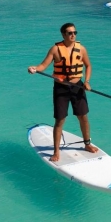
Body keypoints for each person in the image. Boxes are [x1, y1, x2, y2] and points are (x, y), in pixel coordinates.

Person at [28, 23, 98, 162]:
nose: (73, 35)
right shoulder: (55, 49)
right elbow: (43, 66)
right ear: (63, 35)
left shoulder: (81, 49)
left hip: (78, 87)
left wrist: (87, 81)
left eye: (75, 32)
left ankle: (87, 144)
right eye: (70, 33)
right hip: (61, 88)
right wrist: (34, 68)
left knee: (83, 116)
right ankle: (56, 151)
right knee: (60, 120)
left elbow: (88, 65)